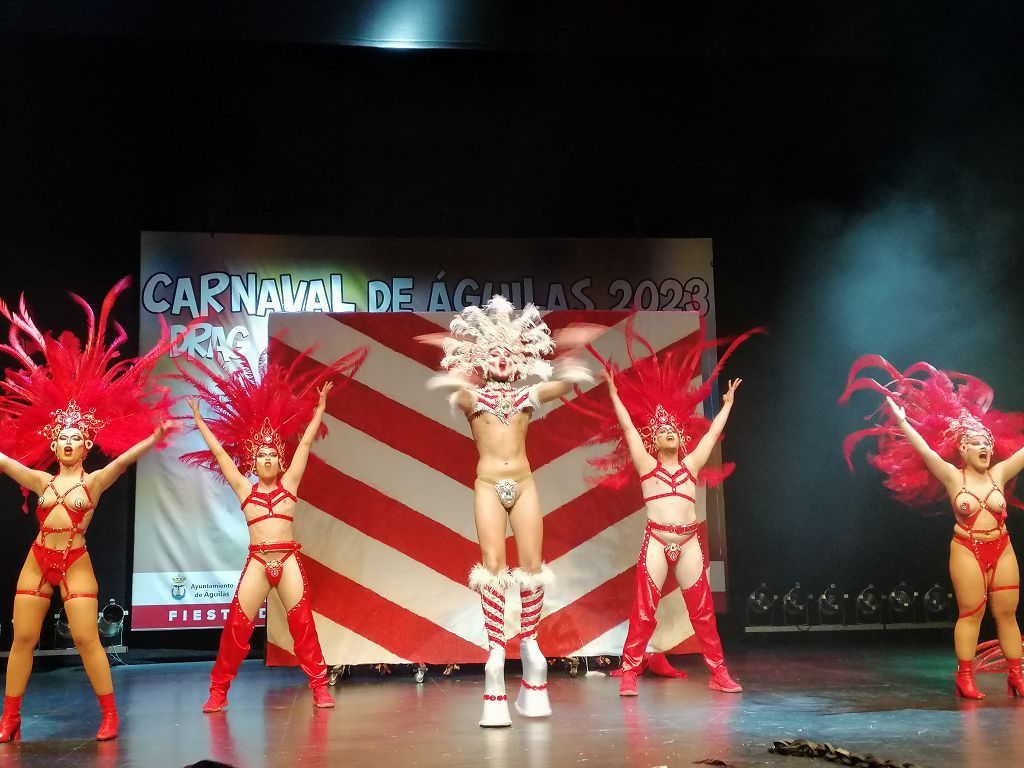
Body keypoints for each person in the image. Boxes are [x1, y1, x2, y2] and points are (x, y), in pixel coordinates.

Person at [0, 278, 177, 742]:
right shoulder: (41, 481)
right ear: (54, 444)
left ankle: (110, 714)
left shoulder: (93, 483)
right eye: (63, 439)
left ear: (86, 444)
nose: (69, 443)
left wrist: (156, 437)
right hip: (38, 559)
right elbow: (4, 461)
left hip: (75, 561)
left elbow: (123, 460)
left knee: (85, 639)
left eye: (77, 438)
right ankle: (10, 716)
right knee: (22, 638)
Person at [423, 295, 592, 727]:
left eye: (506, 353)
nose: (499, 359)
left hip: (524, 484)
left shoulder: (527, 396)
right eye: (491, 353)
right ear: (483, 359)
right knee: (493, 567)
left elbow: (567, 382)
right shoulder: (473, 399)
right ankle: (497, 657)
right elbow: (446, 387)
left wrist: (570, 350)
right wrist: (453, 357)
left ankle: (530, 649)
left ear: (517, 359)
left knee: (532, 566)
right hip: (486, 486)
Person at [570, 318, 755, 696]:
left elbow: (714, 435)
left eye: (674, 430)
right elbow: (626, 429)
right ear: (654, 440)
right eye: (662, 431)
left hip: (686, 542)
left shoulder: (690, 466)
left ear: (681, 438)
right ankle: (631, 673)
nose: (669, 433)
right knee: (643, 611)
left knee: (702, 612)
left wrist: (727, 406)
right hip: (657, 540)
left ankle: (719, 673)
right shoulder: (646, 465)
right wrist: (613, 392)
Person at [176, 344, 366, 712]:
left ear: (280, 460)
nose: (267, 458)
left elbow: (307, 442)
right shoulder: (245, 489)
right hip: (259, 562)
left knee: (303, 626)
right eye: (260, 455)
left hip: (288, 559)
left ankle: (320, 686)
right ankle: (218, 691)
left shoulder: (290, 485)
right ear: (253, 459)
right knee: (237, 627)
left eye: (272, 455)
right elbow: (218, 455)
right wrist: (200, 421)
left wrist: (320, 409)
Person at [841, 356, 1024, 699]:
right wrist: (901, 421)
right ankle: (965, 678)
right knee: (972, 613)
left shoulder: (998, 474)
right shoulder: (953, 477)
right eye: (976, 443)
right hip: (968, 547)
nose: (985, 447)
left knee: (1007, 614)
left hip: (1002, 546)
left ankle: (1016, 675)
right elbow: (924, 450)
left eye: (987, 443)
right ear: (962, 449)